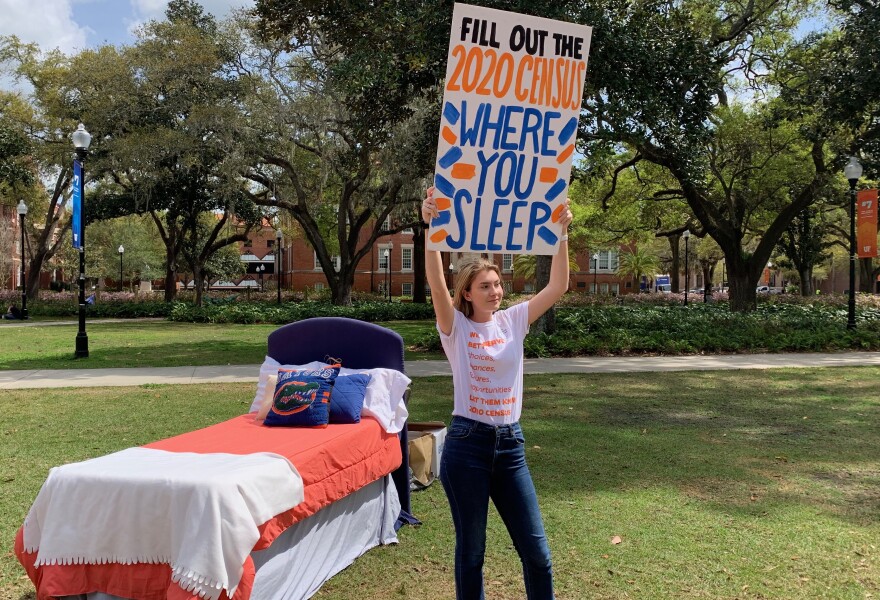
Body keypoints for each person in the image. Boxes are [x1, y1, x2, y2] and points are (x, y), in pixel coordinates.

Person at [422, 186, 573, 600]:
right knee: (472, 554)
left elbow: (558, 286)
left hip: (510, 446)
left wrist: (561, 233)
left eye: (497, 284)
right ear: (467, 293)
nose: (495, 291)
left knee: (537, 552)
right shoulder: (456, 327)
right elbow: (436, 282)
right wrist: (432, 227)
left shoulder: (513, 321)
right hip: (467, 446)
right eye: (484, 286)